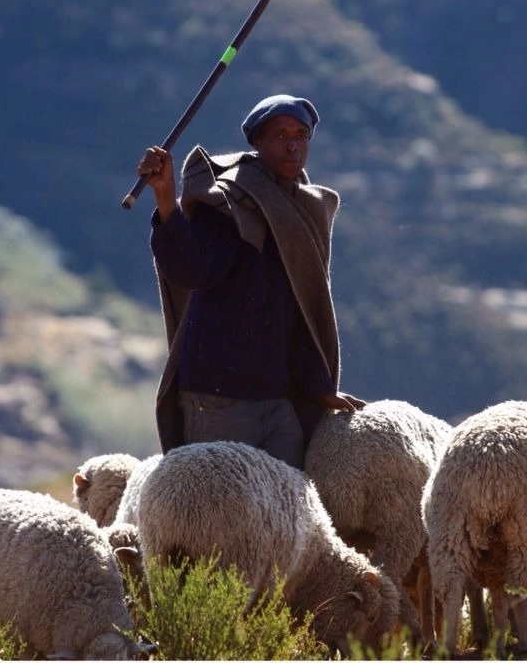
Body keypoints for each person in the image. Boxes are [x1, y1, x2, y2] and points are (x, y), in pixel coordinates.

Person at [138, 93, 366, 469]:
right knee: (219, 516)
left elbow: (300, 310)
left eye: (301, 135)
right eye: (279, 136)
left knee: (287, 513)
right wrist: (165, 197)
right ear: (257, 143)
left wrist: (320, 388)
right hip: (217, 401)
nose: (293, 145)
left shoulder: (301, 211)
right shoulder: (229, 204)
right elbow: (193, 271)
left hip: (276, 403)